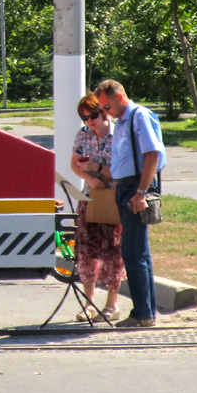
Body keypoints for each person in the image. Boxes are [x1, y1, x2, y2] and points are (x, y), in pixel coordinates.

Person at [94, 79, 166, 328]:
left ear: (120, 97)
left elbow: (153, 154)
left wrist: (141, 192)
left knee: (134, 253)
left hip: (135, 187)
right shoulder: (123, 121)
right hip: (126, 187)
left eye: (106, 106)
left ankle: (143, 314)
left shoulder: (138, 116)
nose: (105, 112)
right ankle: (145, 311)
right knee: (136, 252)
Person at [70, 93, 125, 322]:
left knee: (114, 251)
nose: (89, 121)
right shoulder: (83, 135)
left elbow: (124, 169)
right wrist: (86, 175)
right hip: (90, 197)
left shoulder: (118, 134)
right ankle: (89, 304)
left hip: (113, 196)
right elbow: (74, 164)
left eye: (92, 115)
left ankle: (112, 304)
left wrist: (98, 170)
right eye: (84, 117)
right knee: (86, 251)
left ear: (103, 112)